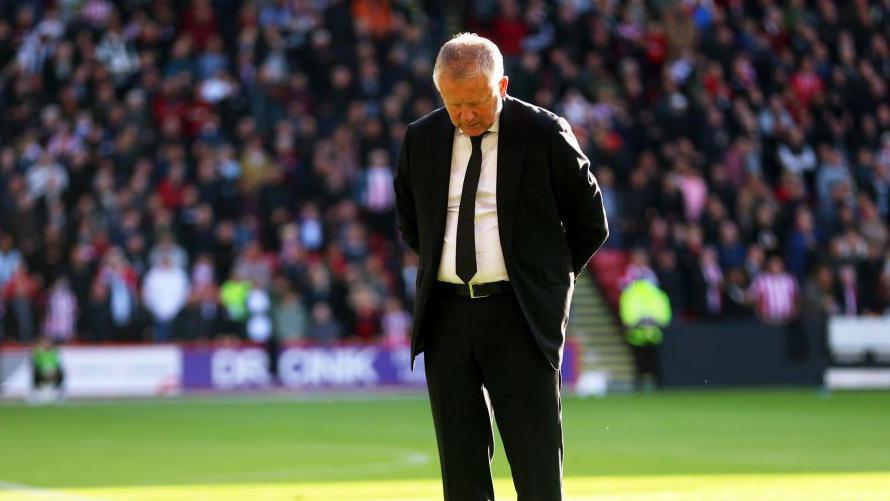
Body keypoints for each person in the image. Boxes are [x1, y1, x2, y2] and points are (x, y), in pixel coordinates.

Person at [394, 33, 608, 501]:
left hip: (521, 316)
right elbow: (413, 225)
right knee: (461, 469)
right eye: (454, 105)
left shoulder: (545, 133)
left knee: (535, 464)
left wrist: (545, 283)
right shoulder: (421, 139)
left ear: (503, 85)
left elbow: (591, 223)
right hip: (447, 318)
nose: (466, 115)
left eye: (477, 102)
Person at [619, 279, 672, 391]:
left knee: (641, 363)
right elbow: (664, 316)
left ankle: (642, 385)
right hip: (653, 335)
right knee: (652, 363)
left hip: (637, 335)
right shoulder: (658, 294)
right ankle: (656, 385)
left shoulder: (630, 293)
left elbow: (627, 315)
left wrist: (637, 322)